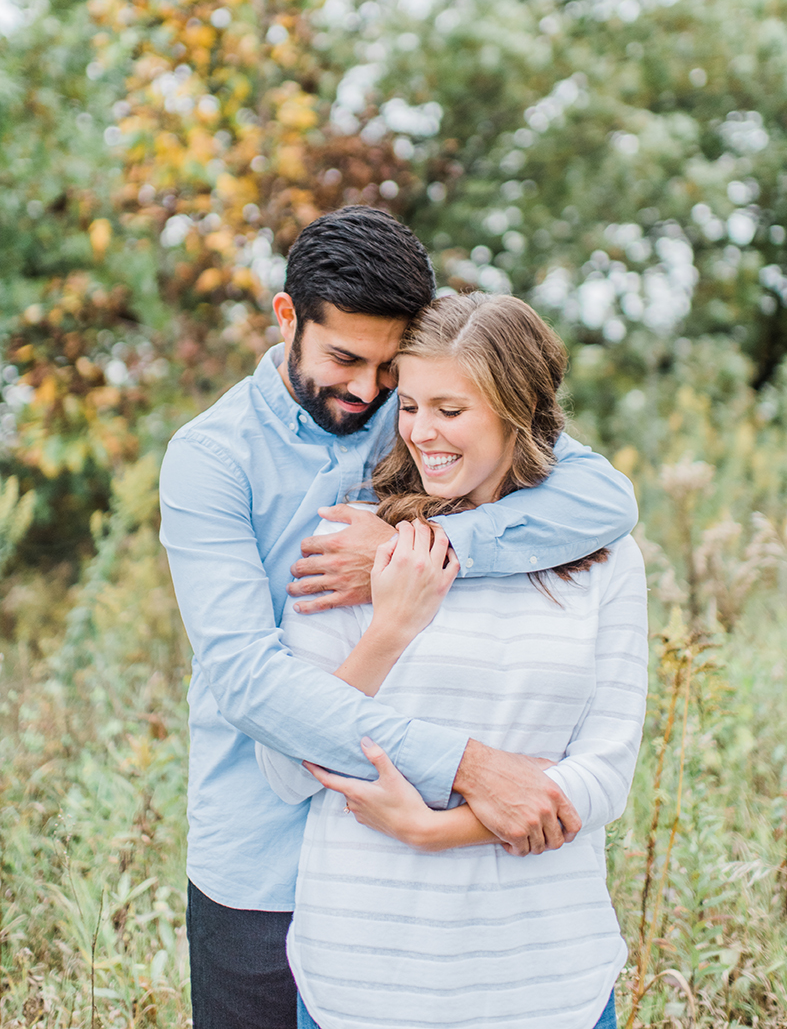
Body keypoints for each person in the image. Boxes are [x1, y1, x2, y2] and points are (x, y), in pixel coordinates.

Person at [159, 207, 639, 1029]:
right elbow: (247, 684)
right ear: (287, 319)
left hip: (432, 898)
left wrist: (421, 545)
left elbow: (602, 498)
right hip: (261, 854)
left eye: (387, 369)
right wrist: (471, 768)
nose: (367, 393)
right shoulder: (211, 460)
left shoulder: (416, 405)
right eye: (344, 359)